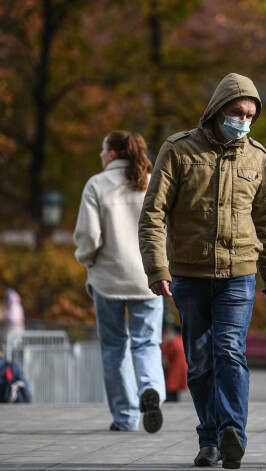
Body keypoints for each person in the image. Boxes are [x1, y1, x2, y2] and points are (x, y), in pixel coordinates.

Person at [138, 73, 266, 469]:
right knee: (200, 361)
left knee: (230, 352)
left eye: (251, 116)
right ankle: (209, 438)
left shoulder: (257, 155)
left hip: (239, 275)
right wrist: (157, 267)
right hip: (189, 275)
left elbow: (265, 222)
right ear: (218, 110)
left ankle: (232, 431)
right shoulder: (178, 149)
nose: (244, 121)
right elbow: (152, 214)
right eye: (237, 112)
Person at [73, 131, 165, 433]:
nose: (100, 155)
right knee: (147, 342)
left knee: (114, 347)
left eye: (102, 150)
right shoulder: (154, 182)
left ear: (111, 154)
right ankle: (151, 389)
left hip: (108, 279)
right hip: (150, 278)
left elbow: (89, 238)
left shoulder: (97, 185)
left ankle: (125, 417)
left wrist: (86, 258)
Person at [161, 324, 187, 402]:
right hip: (181, 368)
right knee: (175, 391)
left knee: (171, 391)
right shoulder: (181, 340)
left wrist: (164, 344)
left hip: (174, 370)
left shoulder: (174, 342)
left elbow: (166, 352)